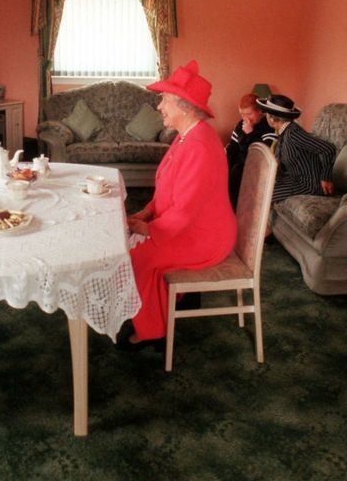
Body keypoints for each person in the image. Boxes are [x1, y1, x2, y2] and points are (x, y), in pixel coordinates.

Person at [124, 60, 237, 350]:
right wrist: (146, 213)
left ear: (184, 105)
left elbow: (184, 213)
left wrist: (146, 228)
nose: (159, 106)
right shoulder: (188, 137)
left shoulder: (199, 144)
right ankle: (157, 307)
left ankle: (153, 331)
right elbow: (166, 190)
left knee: (137, 257)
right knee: (133, 244)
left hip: (203, 237)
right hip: (188, 227)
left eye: (164, 99)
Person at [256, 94, 336, 202]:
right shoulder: (283, 132)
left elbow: (328, 149)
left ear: (271, 118)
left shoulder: (293, 133)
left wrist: (326, 177)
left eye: (266, 114)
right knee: (259, 188)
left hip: (308, 184)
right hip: (293, 178)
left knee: (262, 198)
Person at [226, 93, 277, 209]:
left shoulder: (268, 126)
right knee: (224, 166)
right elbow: (232, 148)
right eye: (242, 114)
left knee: (236, 170)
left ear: (260, 111)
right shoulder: (240, 125)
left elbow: (262, 154)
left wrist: (250, 134)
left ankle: (233, 208)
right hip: (240, 160)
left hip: (256, 164)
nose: (245, 118)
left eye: (249, 114)